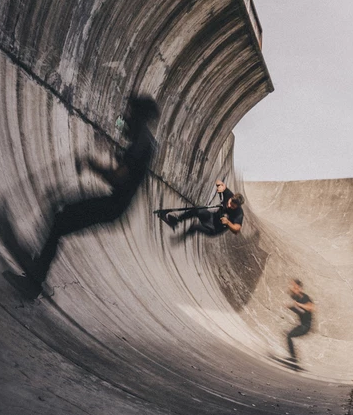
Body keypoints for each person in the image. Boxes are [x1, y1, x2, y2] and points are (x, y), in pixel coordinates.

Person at [24, 94, 159, 292]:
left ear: (140, 116)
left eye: (131, 112)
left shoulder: (142, 143)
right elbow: (126, 142)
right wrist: (111, 143)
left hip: (114, 206)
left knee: (62, 219)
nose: (126, 116)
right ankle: (40, 266)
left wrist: (90, 164)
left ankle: (38, 275)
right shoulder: (143, 139)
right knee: (62, 215)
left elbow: (117, 178)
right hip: (116, 204)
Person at [162, 181, 243, 238]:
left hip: (214, 229)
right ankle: (176, 221)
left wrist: (228, 223)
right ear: (231, 197)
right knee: (198, 210)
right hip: (211, 217)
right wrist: (221, 186)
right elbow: (219, 182)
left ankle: (181, 237)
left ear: (237, 206)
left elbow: (237, 229)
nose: (229, 206)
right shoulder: (229, 194)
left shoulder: (239, 213)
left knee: (195, 227)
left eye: (232, 206)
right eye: (229, 203)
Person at [285, 278, 315, 367]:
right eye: (293, 287)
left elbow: (311, 308)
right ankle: (294, 357)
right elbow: (300, 311)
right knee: (289, 336)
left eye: (295, 288)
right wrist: (291, 307)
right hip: (302, 325)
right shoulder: (295, 297)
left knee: (289, 336)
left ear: (300, 289)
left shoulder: (304, 297)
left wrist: (298, 305)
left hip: (306, 326)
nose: (293, 289)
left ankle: (294, 358)